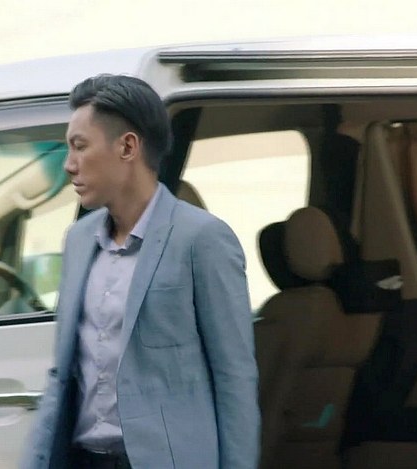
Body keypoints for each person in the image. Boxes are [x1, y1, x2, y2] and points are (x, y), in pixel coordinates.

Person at [21, 74, 259, 469]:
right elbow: (62, 374)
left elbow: (234, 376)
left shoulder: (202, 239)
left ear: (127, 146)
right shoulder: (78, 240)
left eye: (80, 146)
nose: (69, 165)